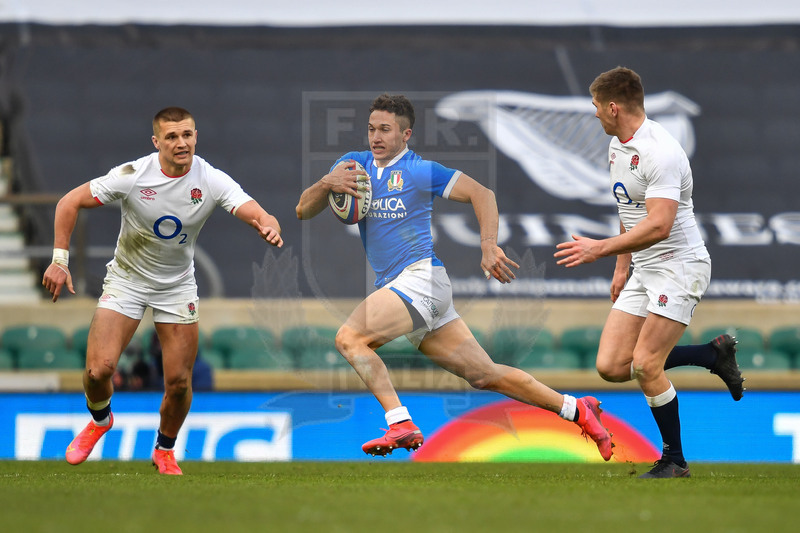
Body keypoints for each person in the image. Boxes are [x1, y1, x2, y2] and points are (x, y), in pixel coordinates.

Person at [296, 94, 613, 461]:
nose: (376, 137)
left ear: (406, 134)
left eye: (385, 129)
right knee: (484, 375)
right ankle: (577, 409)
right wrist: (326, 182)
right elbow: (303, 210)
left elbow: (483, 193)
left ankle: (400, 423)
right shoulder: (352, 167)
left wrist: (488, 245)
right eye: (371, 129)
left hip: (420, 280)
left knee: (350, 338)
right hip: (405, 290)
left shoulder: (420, 171)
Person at [41, 107, 283, 475]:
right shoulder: (134, 175)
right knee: (97, 371)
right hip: (127, 280)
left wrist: (267, 224)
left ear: (196, 137)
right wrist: (60, 259)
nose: (181, 143)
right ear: (157, 143)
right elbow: (68, 202)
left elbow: (258, 212)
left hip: (176, 286)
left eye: (187, 135)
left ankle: (164, 449)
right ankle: (100, 420)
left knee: (179, 381)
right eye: (171, 137)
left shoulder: (211, 179)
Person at [554, 67, 744, 478]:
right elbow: (630, 209)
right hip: (644, 266)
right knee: (611, 365)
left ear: (613, 106)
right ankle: (711, 354)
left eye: (595, 107)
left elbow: (658, 224)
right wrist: (622, 267)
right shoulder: (618, 145)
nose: (594, 115)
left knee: (645, 364)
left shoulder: (660, 151)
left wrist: (600, 249)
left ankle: (674, 460)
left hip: (680, 266)